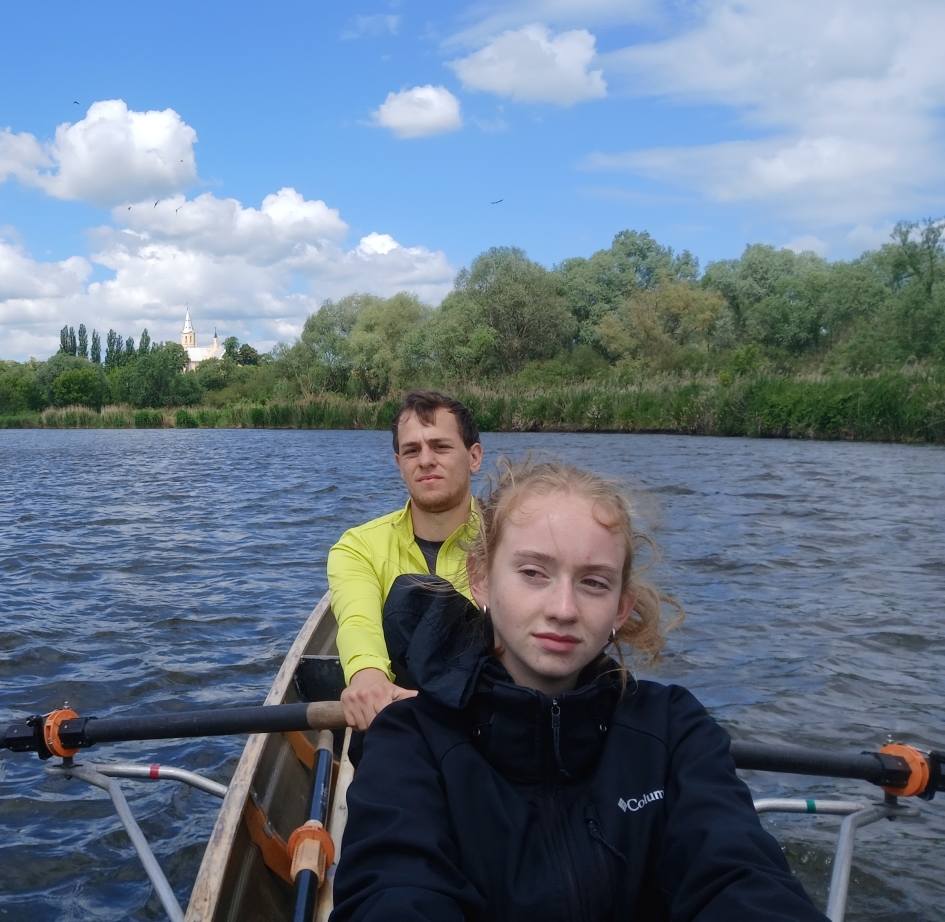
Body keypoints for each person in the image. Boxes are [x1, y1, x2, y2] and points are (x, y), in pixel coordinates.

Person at [330, 460, 824, 922]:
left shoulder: (674, 731)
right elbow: (394, 892)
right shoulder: (410, 741)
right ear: (480, 580)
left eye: (593, 582)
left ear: (621, 607)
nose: (563, 608)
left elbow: (739, 877)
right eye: (533, 573)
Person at [329, 389, 484, 731]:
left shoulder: (512, 541)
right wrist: (367, 677)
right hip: (404, 723)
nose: (425, 460)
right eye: (412, 451)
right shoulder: (358, 547)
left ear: (474, 457)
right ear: (400, 465)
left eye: (440, 446)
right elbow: (358, 623)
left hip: (491, 716)